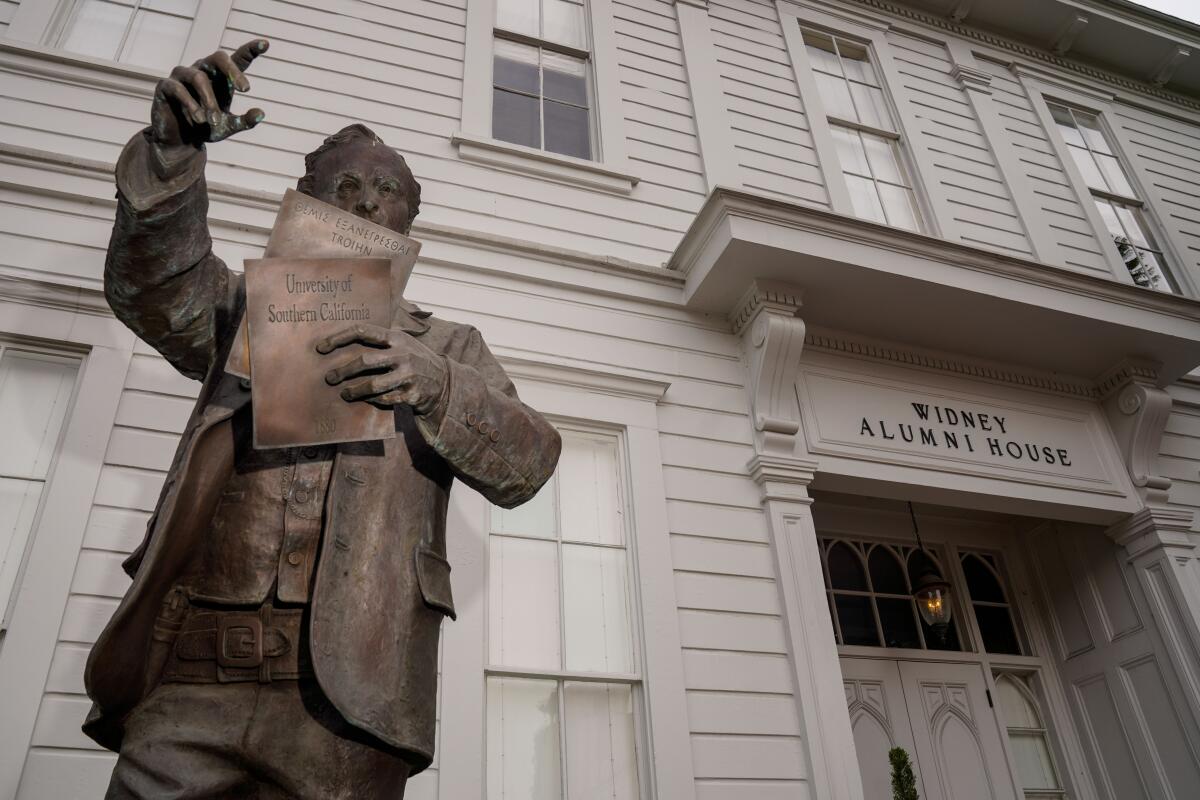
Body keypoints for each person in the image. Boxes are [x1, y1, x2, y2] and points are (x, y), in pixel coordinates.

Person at [83, 39, 562, 799]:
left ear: (408, 219)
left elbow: (530, 461)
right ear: (305, 202)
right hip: (189, 678)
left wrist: (435, 386)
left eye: (387, 189)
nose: (366, 200)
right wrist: (171, 157)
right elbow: (154, 289)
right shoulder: (244, 305)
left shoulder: (450, 346)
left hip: (351, 702)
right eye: (343, 184)